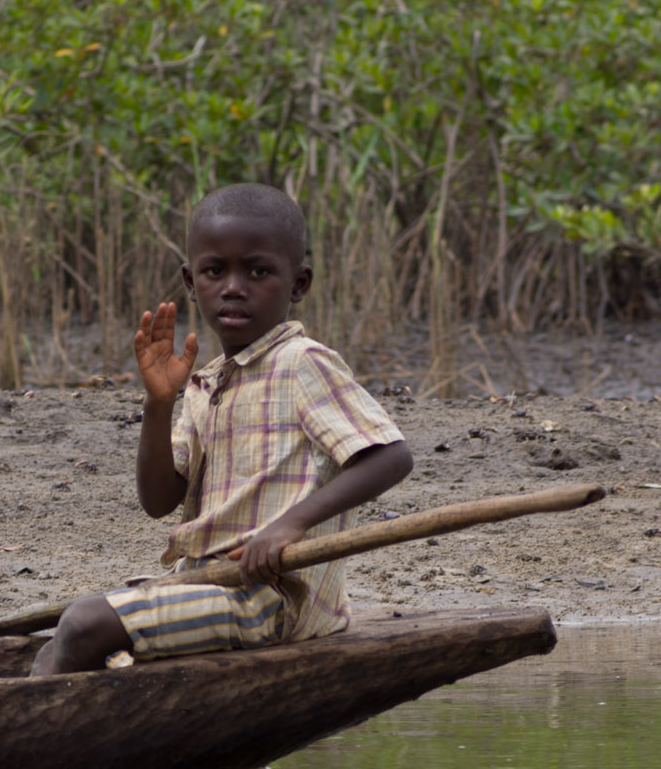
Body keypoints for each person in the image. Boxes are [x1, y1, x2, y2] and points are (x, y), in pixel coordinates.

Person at [31, 183, 412, 676]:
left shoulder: (302, 363)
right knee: (56, 641)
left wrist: (287, 526)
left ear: (298, 285)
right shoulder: (205, 382)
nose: (234, 286)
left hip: (276, 599)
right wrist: (159, 403)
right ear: (192, 282)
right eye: (215, 271)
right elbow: (159, 501)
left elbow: (390, 456)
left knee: (85, 624)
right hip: (209, 581)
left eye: (258, 271)